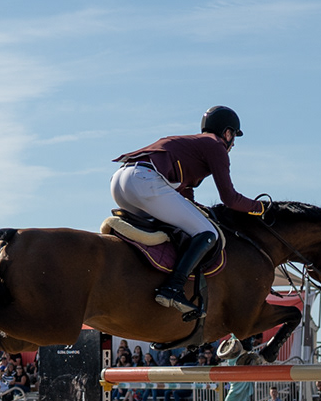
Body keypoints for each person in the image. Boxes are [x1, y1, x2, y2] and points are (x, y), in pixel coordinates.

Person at [111, 105, 261, 314]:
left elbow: (185, 194)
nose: (233, 143)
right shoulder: (216, 146)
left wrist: (199, 209)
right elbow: (229, 198)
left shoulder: (194, 145)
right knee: (208, 233)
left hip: (120, 182)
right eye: (234, 136)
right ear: (227, 133)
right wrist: (259, 207)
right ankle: (173, 287)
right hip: (145, 182)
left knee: (173, 229)